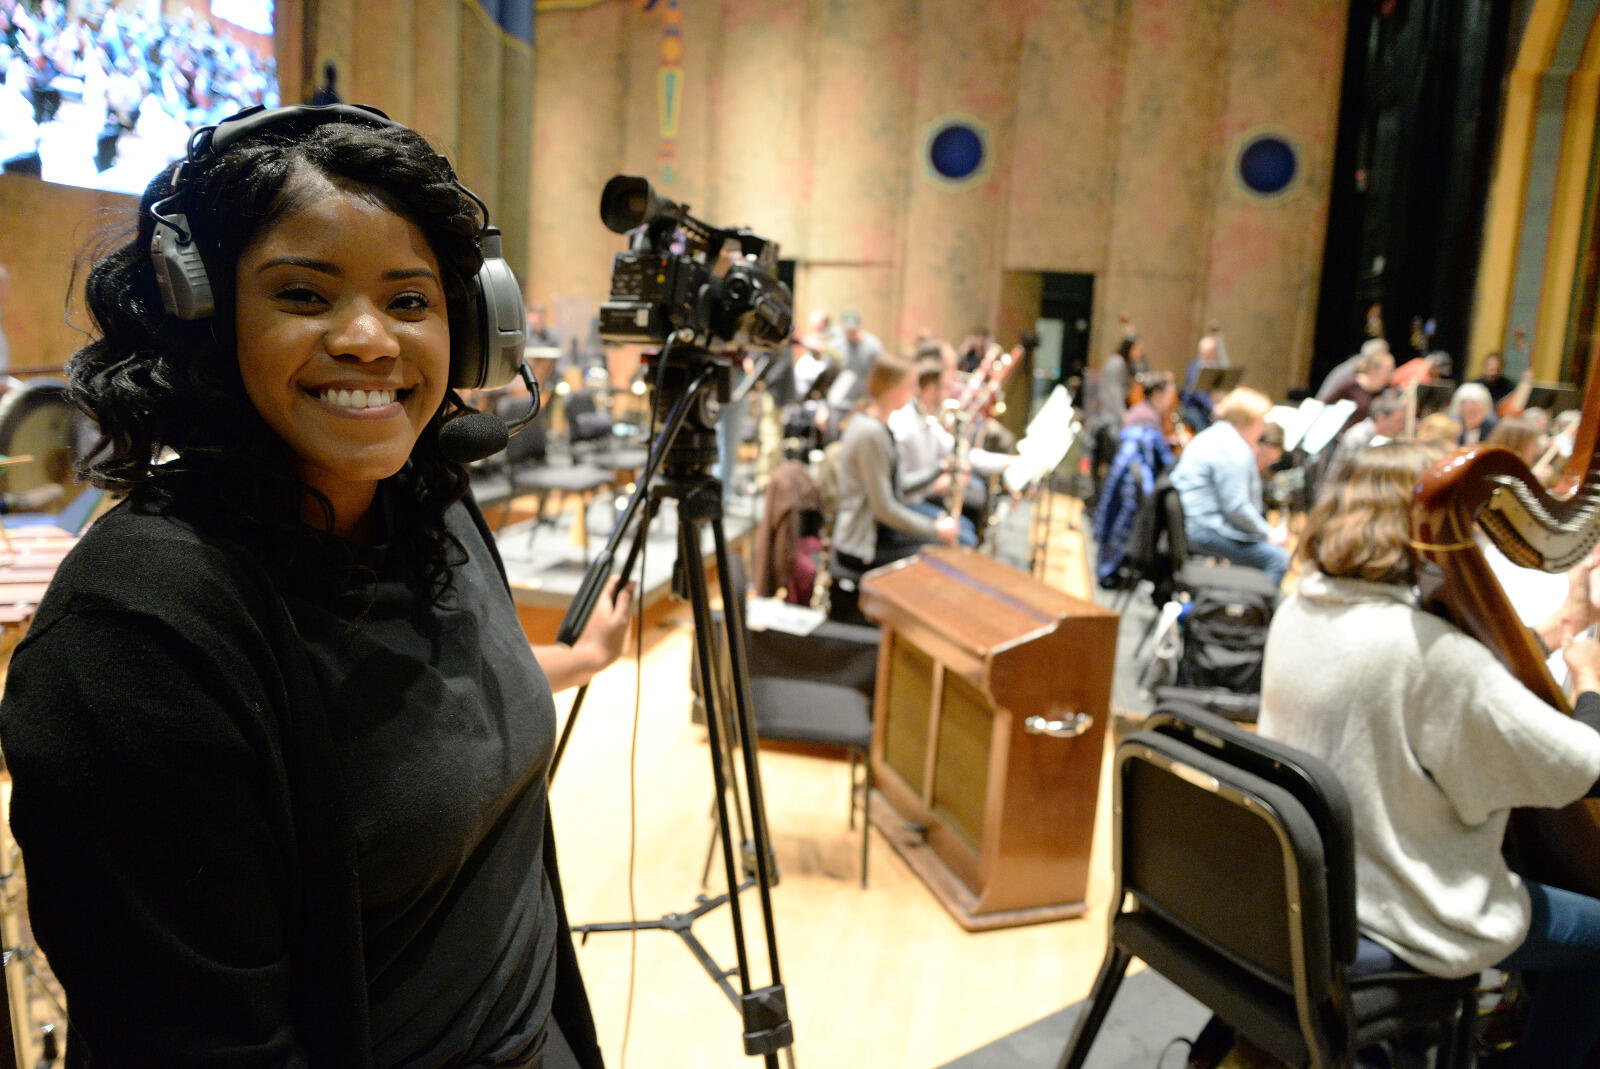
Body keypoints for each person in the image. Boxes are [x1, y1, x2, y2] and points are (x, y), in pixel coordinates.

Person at [0, 105, 635, 1068]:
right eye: (305, 294)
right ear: (204, 321)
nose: (372, 339)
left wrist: (576, 657)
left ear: (470, 331)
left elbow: (430, 706)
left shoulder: (431, 510)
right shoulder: (132, 642)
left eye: (411, 301)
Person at [1258, 441, 1600, 1069]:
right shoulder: (1430, 659)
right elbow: (1579, 767)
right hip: (1410, 914)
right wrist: (1588, 681)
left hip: (1318, 895)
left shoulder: (1298, 609)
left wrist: (1555, 631)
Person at [829, 352, 958, 623]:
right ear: (893, 387)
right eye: (910, 385)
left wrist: (939, 469)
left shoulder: (878, 425)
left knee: (943, 544)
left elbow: (896, 487)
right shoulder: (869, 432)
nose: (914, 393)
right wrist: (936, 529)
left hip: (878, 532)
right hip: (862, 544)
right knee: (940, 553)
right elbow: (884, 508)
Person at [1167, 386, 1289, 585]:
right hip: (1203, 531)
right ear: (1249, 421)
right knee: (1278, 559)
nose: (1263, 428)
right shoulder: (1234, 449)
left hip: (1192, 525)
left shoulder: (1213, 435)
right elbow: (1237, 508)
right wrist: (1269, 533)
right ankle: (1250, 610)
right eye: (1261, 421)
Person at [1450, 380, 1498, 445]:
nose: (1470, 417)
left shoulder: (1493, 427)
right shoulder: (1452, 426)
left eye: (1475, 412)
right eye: (1467, 412)